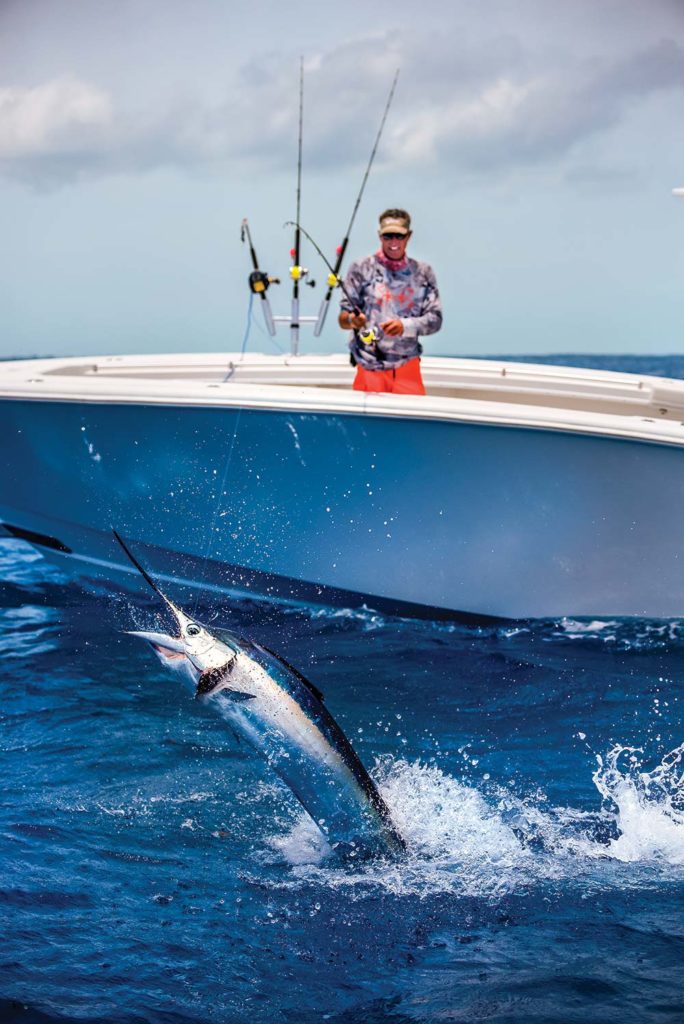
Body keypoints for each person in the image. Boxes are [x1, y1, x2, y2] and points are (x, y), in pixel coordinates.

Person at [338, 209, 442, 395]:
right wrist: (354, 321)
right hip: (368, 366)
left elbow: (435, 320)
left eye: (399, 236)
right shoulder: (360, 268)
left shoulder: (423, 272)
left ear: (408, 236)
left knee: (412, 422)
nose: (393, 242)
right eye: (388, 236)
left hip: (407, 366)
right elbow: (343, 318)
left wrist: (405, 326)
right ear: (380, 236)